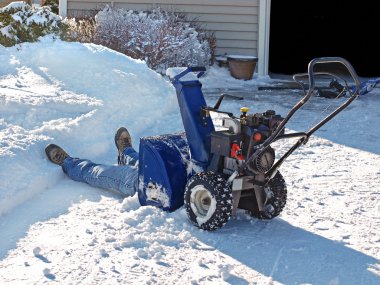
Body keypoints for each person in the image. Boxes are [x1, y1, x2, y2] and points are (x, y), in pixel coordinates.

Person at [45, 127, 138, 196]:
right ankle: (125, 153)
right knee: (143, 161)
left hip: (147, 187)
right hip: (151, 173)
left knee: (99, 171)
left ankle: (68, 163)